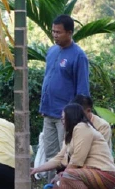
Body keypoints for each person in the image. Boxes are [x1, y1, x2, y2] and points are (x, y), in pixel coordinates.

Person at [31, 103, 115, 189]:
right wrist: (36, 169)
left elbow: (77, 160)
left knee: (67, 176)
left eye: (63, 118)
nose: (62, 121)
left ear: (71, 117)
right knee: (61, 184)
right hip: (96, 173)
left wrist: (62, 176)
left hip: (105, 175)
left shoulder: (82, 128)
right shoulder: (72, 133)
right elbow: (59, 158)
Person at [38, 15, 90, 174]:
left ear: (69, 33)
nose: (55, 35)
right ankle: (51, 186)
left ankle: (65, 185)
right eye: (53, 31)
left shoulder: (79, 56)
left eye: (58, 32)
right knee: (50, 154)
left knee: (65, 155)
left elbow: (82, 90)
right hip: (48, 112)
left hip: (65, 116)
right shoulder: (52, 51)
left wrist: (75, 116)